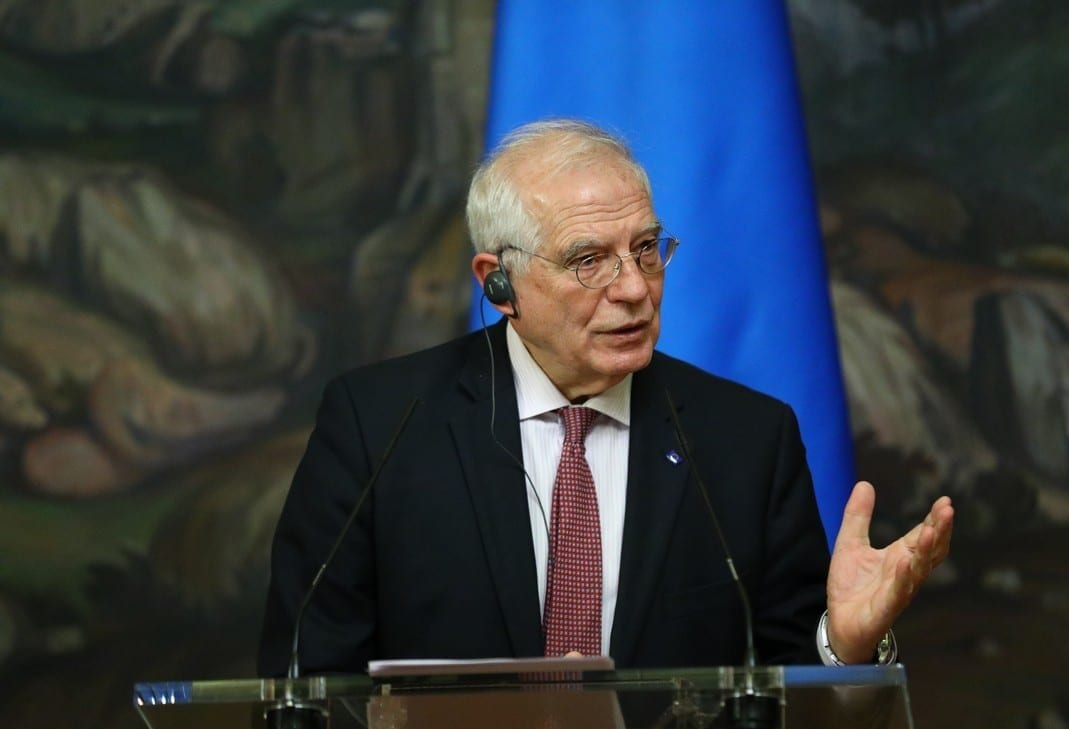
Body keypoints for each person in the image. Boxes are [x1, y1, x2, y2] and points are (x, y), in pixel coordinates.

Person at [257, 119, 953, 680]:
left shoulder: (746, 440)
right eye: (588, 260)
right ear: (500, 283)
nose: (635, 288)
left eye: (646, 249)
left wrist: (842, 646)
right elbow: (301, 696)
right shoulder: (379, 426)